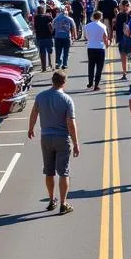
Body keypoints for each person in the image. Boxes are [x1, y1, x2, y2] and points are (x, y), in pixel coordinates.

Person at [27, 69, 80, 215]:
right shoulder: (67, 100)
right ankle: (63, 203)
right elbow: (70, 123)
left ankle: (51, 200)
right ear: (64, 83)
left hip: (46, 138)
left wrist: (31, 128)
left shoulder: (41, 96)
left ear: (52, 80)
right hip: (62, 138)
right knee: (64, 172)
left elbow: (34, 113)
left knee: (49, 171)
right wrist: (75, 143)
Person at [84, 10, 108, 90]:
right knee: (99, 67)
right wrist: (107, 45)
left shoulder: (87, 26)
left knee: (91, 66)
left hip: (90, 47)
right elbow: (105, 37)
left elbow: (86, 37)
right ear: (100, 17)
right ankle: (96, 84)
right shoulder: (103, 26)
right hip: (100, 48)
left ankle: (90, 82)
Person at [52, 4, 77, 70]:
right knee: (66, 51)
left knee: (58, 51)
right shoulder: (69, 19)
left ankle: (58, 63)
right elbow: (73, 27)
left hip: (58, 37)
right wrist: (75, 36)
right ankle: (64, 64)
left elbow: (52, 27)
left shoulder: (56, 19)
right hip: (66, 37)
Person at [114, 0, 131, 80]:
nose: (120, 6)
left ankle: (124, 73)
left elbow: (117, 27)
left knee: (123, 56)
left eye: (121, 5)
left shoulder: (120, 15)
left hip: (122, 37)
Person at [33, 2, 54, 71]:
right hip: (48, 36)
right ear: (43, 11)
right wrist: (50, 16)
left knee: (42, 53)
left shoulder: (36, 18)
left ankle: (43, 67)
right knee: (50, 52)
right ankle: (51, 65)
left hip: (40, 37)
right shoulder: (47, 17)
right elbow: (52, 22)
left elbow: (34, 26)